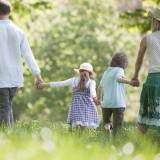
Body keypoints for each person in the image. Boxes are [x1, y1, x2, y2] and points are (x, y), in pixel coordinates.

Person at [0, 0, 43, 127]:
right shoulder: (18, 31)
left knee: (4, 107)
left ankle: (6, 136)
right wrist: (37, 75)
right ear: (10, 12)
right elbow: (28, 55)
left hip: (1, 75)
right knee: (7, 106)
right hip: (14, 76)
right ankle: (11, 135)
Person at [38, 62, 100, 129]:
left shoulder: (73, 80)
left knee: (77, 129)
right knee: (85, 128)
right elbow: (93, 93)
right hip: (87, 108)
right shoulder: (92, 82)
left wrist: (43, 85)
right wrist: (96, 99)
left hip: (77, 108)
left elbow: (59, 84)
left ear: (79, 71)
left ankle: (77, 138)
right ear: (90, 73)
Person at [132, 7, 160, 134]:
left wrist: (135, 76)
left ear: (154, 21)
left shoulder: (147, 39)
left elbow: (139, 61)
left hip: (153, 79)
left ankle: (140, 146)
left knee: (146, 112)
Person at [97, 52, 139, 134]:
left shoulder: (107, 72)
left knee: (107, 122)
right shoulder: (120, 70)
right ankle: (115, 142)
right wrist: (130, 82)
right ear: (123, 62)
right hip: (118, 103)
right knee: (117, 127)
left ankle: (108, 128)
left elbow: (99, 88)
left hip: (106, 104)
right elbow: (118, 79)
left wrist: (99, 99)